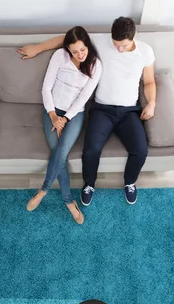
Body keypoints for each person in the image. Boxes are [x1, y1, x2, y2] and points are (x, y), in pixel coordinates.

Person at [18, 17, 156, 206]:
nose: (119, 49)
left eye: (123, 46)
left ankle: (130, 182)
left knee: (140, 150)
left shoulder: (145, 52)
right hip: (102, 110)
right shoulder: (97, 42)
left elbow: (149, 82)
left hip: (129, 111)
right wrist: (38, 48)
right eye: (116, 44)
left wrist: (152, 103)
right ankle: (89, 184)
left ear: (134, 37)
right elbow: (66, 40)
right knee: (90, 151)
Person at [24, 26, 102, 224]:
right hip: (51, 111)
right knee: (60, 153)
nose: (79, 54)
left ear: (88, 45)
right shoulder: (60, 56)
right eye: (74, 51)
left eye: (82, 49)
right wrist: (52, 115)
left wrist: (65, 119)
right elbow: (46, 87)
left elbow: (84, 97)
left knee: (62, 150)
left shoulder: (96, 65)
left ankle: (43, 191)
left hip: (74, 115)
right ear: (68, 49)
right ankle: (69, 202)